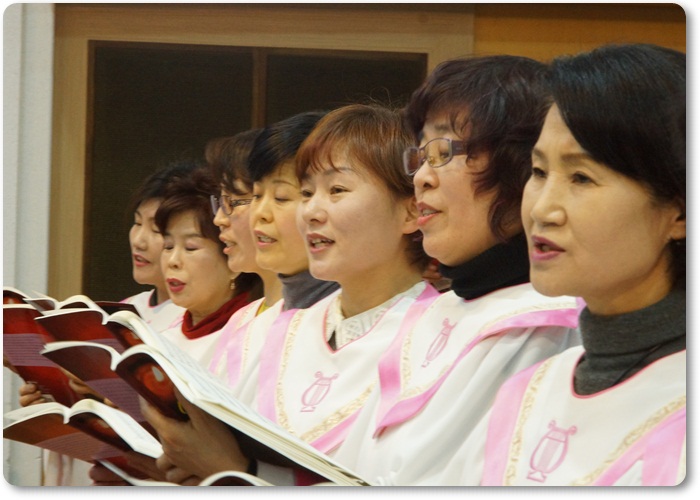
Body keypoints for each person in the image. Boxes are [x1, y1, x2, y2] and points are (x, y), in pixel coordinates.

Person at [140, 103, 438, 485]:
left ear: (411, 211)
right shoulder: (275, 330)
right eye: (307, 192)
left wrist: (236, 472)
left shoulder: (440, 339)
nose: (311, 211)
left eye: (337, 190)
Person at [330, 55, 581, 486]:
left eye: (443, 152)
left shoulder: (550, 325)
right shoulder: (437, 312)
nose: (421, 178)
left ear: (522, 167)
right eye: (420, 156)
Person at [470, 43, 685, 486]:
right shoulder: (531, 390)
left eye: (581, 177)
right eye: (539, 172)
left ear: (679, 212)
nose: (541, 210)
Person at [16, 160, 192, 486]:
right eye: (136, 223)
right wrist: (57, 397)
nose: (139, 240)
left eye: (156, 230)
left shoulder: (193, 322)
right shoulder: (122, 311)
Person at [154, 159, 262, 363]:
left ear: (230, 256)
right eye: (168, 246)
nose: (173, 261)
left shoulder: (252, 335)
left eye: (190, 248)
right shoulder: (162, 339)